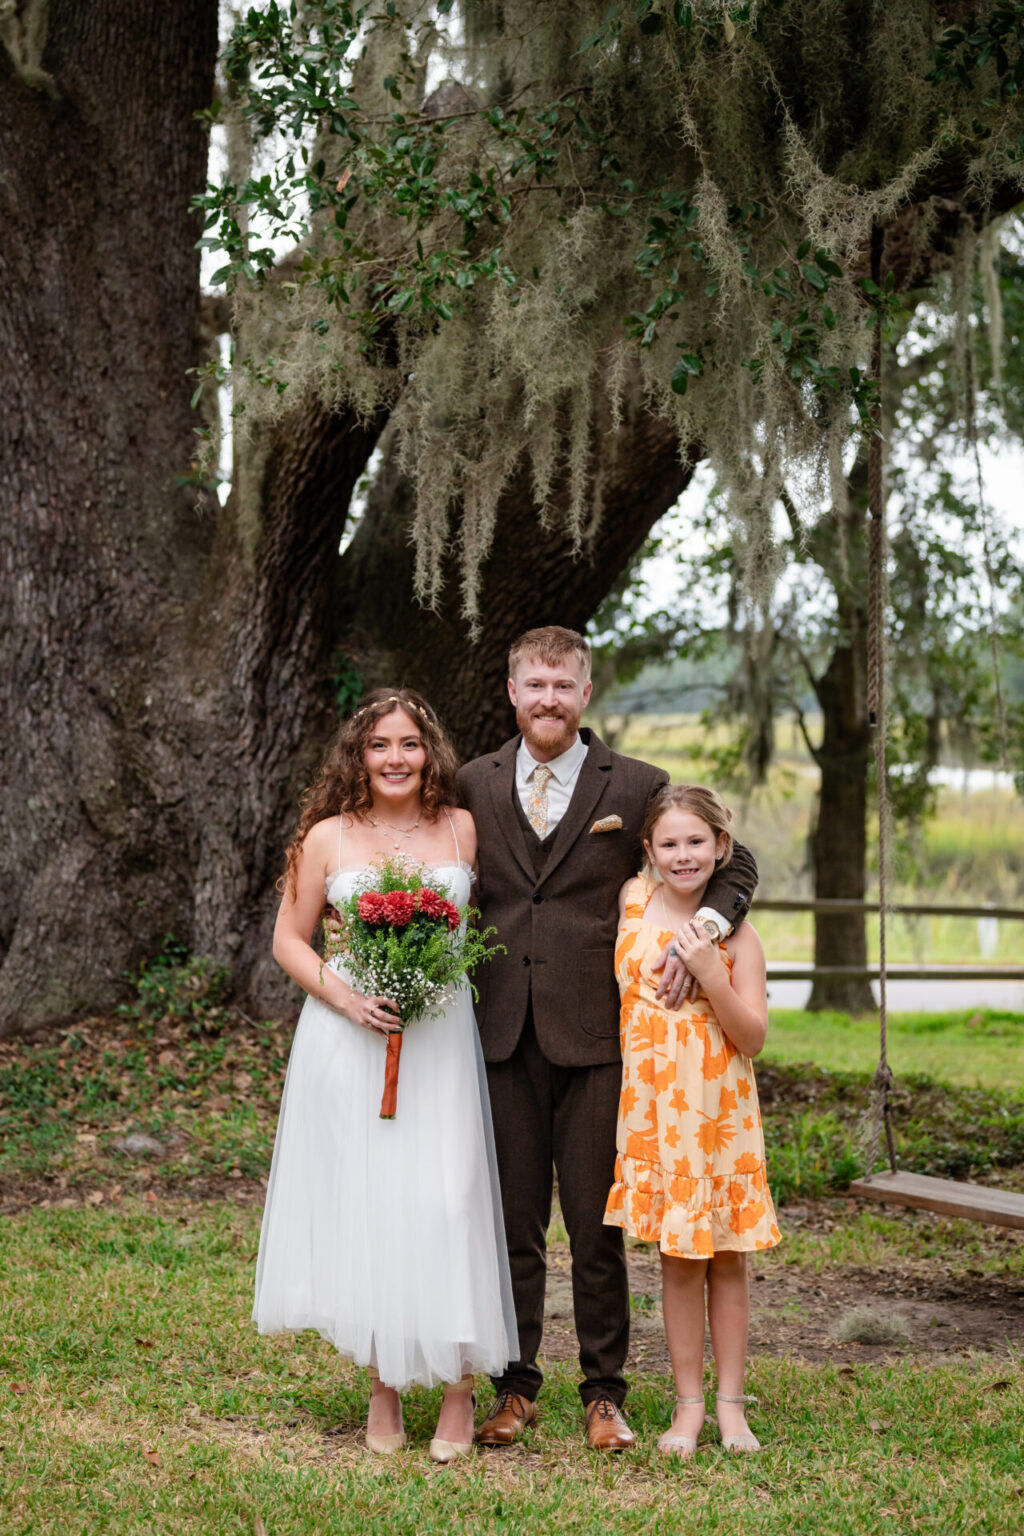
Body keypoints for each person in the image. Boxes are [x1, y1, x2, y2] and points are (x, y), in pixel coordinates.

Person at [457, 627, 758, 1451]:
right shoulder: (471, 783)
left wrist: (701, 934)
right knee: (513, 1224)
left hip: (599, 1039)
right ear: (511, 691)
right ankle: (514, 1387)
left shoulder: (636, 783)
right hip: (498, 1033)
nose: (548, 698)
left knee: (597, 1227)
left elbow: (733, 865)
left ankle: (604, 1395)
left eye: (564, 684)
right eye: (534, 684)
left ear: (585, 692)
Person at [253, 688, 517, 1463]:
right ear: (357, 757)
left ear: (429, 752)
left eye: (409, 744)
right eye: (379, 746)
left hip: (440, 1038)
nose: (396, 758)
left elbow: (479, 932)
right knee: (373, 1204)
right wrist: (349, 997)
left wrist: (426, 976)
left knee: (449, 1199)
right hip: (352, 1040)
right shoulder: (326, 837)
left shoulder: (462, 828)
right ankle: (384, 1385)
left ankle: (461, 1387)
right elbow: (290, 941)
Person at [604, 784, 780, 1456]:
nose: (684, 856)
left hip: (719, 1113)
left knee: (727, 1260)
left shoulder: (739, 935)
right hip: (653, 1113)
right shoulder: (632, 901)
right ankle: (688, 1407)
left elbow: (754, 1036)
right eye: (670, 844)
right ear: (647, 851)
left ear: (721, 849)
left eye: (697, 843)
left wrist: (709, 968)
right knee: (677, 1261)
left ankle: (733, 1408)